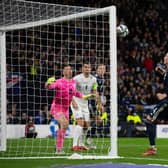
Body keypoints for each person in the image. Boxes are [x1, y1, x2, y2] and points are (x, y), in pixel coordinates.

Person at [45, 64, 95, 153]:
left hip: (66, 109)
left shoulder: (73, 82)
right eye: (67, 69)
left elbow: (76, 93)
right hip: (56, 107)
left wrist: (87, 96)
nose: (69, 71)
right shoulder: (59, 81)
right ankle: (59, 149)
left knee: (64, 126)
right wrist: (48, 83)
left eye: (70, 69)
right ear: (63, 72)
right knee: (64, 124)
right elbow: (48, 87)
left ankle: (58, 147)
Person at [143, 52, 168, 156]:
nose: (165, 57)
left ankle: (152, 148)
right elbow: (160, 70)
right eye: (165, 56)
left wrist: (165, 95)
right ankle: (152, 148)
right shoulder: (166, 71)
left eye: (167, 56)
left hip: (166, 101)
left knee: (149, 120)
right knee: (150, 120)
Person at [71, 62, 98, 151]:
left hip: (85, 104)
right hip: (76, 102)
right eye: (85, 67)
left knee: (87, 125)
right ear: (82, 69)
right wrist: (73, 101)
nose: (87, 69)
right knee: (80, 123)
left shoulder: (93, 79)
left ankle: (81, 144)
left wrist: (96, 98)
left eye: (89, 67)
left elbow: (94, 90)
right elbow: (71, 91)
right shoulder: (76, 78)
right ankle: (74, 145)